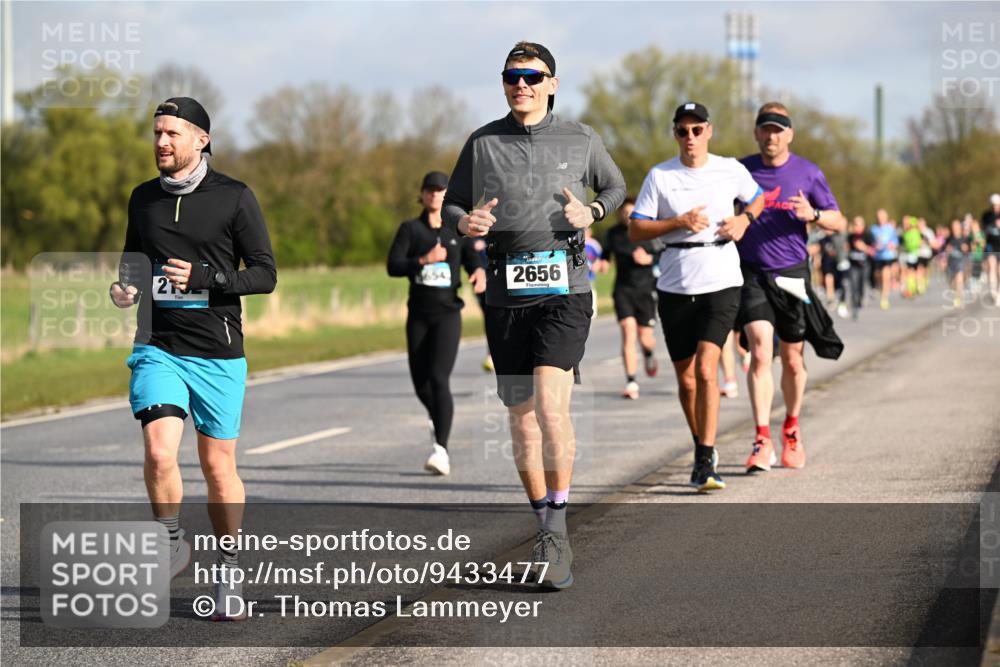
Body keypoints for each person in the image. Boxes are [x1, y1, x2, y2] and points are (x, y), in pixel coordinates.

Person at [442, 42, 625, 589]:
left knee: (549, 404)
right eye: (511, 76)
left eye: (531, 76)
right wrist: (465, 222)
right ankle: (544, 522)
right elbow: (453, 203)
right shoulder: (482, 142)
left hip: (564, 290)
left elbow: (615, 187)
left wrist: (589, 211)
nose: (521, 84)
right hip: (504, 295)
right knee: (520, 417)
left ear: (552, 82)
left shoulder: (580, 138)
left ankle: (560, 529)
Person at [111, 97, 277, 621]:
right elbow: (133, 262)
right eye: (157, 133)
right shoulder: (142, 199)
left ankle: (229, 569)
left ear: (201, 139)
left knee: (216, 464)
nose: (161, 142)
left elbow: (266, 274)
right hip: (158, 344)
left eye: (172, 134)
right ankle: (169, 541)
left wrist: (207, 278)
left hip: (218, 350)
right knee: (161, 452)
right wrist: (125, 288)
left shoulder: (234, 197)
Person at [629, 101, 764, 493]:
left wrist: (744, 220)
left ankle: (705, 458)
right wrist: (678, 222)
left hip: (721, 277)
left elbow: (758, 197)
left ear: (710, 131)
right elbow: (637, 230)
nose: (690, 138)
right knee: (687, 381)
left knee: (708, 370)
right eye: (682, 131)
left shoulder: (730, 169)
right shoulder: (661, 176)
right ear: (675, 134)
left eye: (697, 129)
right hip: (675, 283)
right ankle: (700, 445)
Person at [736, 102, 846, 473]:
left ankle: (792, 428)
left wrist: (812, 215)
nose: (772, 136)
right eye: (765, 129)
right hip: (751, 273)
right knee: (761, 351)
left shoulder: (808, 173)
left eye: (779, 129)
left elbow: (839, 221)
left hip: (792, 274)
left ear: (790, 134)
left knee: (795, 360)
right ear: (757, 133)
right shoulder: (741, 171)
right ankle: (762, 438)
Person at [387, 171, 486, 476]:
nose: (434, 195)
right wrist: (423, 260)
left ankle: (440, 450)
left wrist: (479, 272)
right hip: (418, 314)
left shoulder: (455, 230)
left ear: (447, 195)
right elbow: (393, 265)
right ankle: (438, 417)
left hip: (447, 315)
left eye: (440, 190)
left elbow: (474, 259)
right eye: (429, 190)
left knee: (439, 377)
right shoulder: (410, 229)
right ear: (422, 194)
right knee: (420, 383)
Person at [602, 197, 662, 399]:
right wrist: (603, 263)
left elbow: (664, 254)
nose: (627, 216)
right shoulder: (614, 234)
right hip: (623, 290)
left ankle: (648, 353)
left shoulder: (649, 231)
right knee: (628, 331)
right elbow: (605, 254)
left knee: (646, 338)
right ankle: (631, 381)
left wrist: (649, 259)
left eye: (631, 212)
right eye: (624, 212)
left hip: (645, 292)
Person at [870, 208, 900, 310]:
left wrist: (893, 245)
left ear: (886, 217)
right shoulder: (873, 229)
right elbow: (870, 242)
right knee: (878, 276)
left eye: (882, 217)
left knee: (885, 276)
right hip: (877, 256)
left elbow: (895, 241)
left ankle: (884, 298)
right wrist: (874, 246)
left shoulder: (890, 228)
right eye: (879, 217)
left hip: (888, 256)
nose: (881, 219)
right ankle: (879, 288)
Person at [846, 215, 874, 320]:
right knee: (853, 286)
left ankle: (861, 299)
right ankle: (854, 307)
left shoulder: (868, 235)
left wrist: (864, 247)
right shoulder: (850, 236)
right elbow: (846, 250)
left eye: (859, 224)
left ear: (863, 225)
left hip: (865, 265)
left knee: (861, 285)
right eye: (855, 224)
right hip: (853, 265)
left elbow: (873, 251)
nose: (857, 226)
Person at [945, 218, 970, 308]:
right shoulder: (949, 238)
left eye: (956, 226)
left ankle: (959, 298)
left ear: (960, 226)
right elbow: (945, 251)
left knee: (959, 279)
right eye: (953, 226)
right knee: (952, 283)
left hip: (961, 261)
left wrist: (966, 248)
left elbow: (969, 250)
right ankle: (956, 294)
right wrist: (947, 250)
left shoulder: (965, 238)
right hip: (951, 262)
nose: (955, 228)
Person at [982, 193, 1000, 306]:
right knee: (992, 268)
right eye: (993, 205)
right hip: (991, 246)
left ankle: (999, 293)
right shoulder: (987, 216)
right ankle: (993, 292)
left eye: (997, 205)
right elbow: (983, 230)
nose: (995, 207)